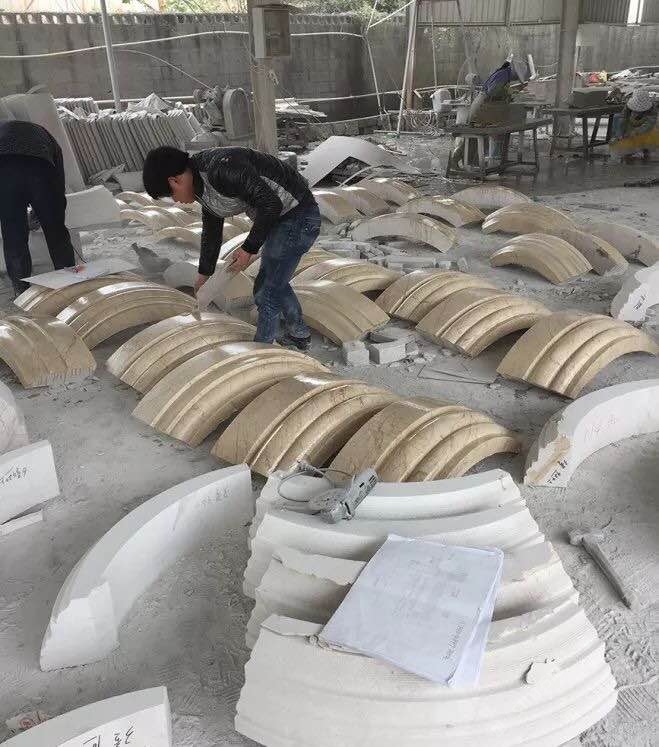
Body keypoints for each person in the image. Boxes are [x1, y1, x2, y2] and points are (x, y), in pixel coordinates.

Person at [142, 145, 320, 349]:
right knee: (271, 280)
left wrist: (248, 248)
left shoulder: (222, 169)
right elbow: (212, 230)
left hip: (299, 215)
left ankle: (263, 351)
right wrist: (204, 273)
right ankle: (298, 333)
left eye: (172, 195)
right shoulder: (200, 185)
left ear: (174, 180)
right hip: (279, 220)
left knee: (266, 290)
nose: (176, 200)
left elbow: (271, 204)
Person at [0, 120, 77, 295]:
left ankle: (21, 290)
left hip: (4, 172)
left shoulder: (3, 132)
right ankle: (69, 281)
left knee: (13, 234)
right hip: (40, 168)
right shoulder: (47, 137)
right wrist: (51, 212)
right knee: (55, 230)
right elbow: (58, 182)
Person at [610, 89, 658, 160]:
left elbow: (649, 123)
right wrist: (620, 133)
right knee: (617, 119)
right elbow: (623, 118)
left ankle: (645, 149)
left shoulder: (652, 108)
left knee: (648, 135)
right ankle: (629, 151)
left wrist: (636, 131)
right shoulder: (628, 106)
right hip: (632, 123)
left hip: (645, 127)